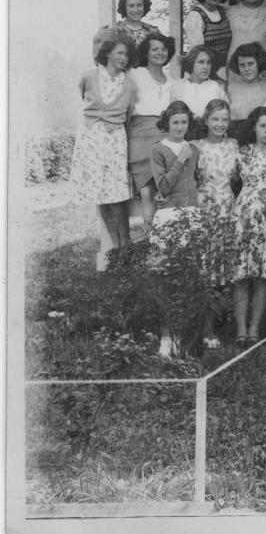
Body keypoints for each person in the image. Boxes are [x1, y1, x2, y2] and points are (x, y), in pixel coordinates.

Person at [70, 37, 138, 260]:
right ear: (107, 53)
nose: (123, 58)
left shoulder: (129, 84)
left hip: (115, 139)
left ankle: (125, 244)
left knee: (117, 193)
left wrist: (112, 125)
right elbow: (82, 99)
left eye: (126, 55)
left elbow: (127, 115)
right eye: (119, 53)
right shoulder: (89, 76)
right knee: (100, 192)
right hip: (91, 138)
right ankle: (115, 246)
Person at [148, 101, 201, 356]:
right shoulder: (159, 149)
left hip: (191, 215)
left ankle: (183, 337)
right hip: (169, 215)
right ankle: (165, 337)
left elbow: (195, 183)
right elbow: (163, 188)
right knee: (164, 278)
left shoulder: (194, 149)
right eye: (175, 122)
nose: (180, 127)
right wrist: (179, 160)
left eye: (184, 122)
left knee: (188, 279)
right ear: (167, 124)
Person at [228, 106, 266, 349]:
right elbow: (230, 181)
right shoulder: (242, 152)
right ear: (254, 127)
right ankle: (240, 329)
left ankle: (254, 329)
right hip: (244, 218)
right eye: (263, 126)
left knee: (262, 276)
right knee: (241, 275)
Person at [194, 99, 239, 319]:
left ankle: (225, 312)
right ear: (206, 120)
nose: (220, 124)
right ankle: (207, 315)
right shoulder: (196, 146)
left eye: (224, 119)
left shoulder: (234, 145)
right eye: (215, 119)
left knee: (225, 258)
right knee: (207, 259)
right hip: (205, 206)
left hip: (228, 205)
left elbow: (239, 177)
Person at [127, 34, 177, 232]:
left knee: (165, 194)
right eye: (154, 49)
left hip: (165, 138)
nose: (160, 53)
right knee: (147, 194)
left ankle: (165, 244)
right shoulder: (135, 74)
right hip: (140, 138)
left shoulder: (173, 82)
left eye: (163, 49)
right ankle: (151, 245)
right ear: (146, 52)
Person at [182, 0, 232, 78]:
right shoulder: (196, 16)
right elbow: (198, 54)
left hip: (224, 71)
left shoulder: (223, 12)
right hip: (205, 72)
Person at [172, 45, 228, 137]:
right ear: (191, 63)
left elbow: (225, 116)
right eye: (201, 62)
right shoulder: (178, 86)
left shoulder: (218, 87)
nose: (205, 67)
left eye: (208, 63)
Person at [225, 42, 266, 144]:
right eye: (242, 65)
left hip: (261, 142)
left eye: (250, 64)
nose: (246, 69)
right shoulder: (231, 88)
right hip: (235, 141)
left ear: (259, 63)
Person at [94, 0, 161, 55]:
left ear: (145, 5)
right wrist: (96, 40)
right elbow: (99, 60)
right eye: (131, 6)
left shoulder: (153, 31)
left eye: (139, 5)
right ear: (124, 7)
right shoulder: (114, 30)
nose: (136, 10)